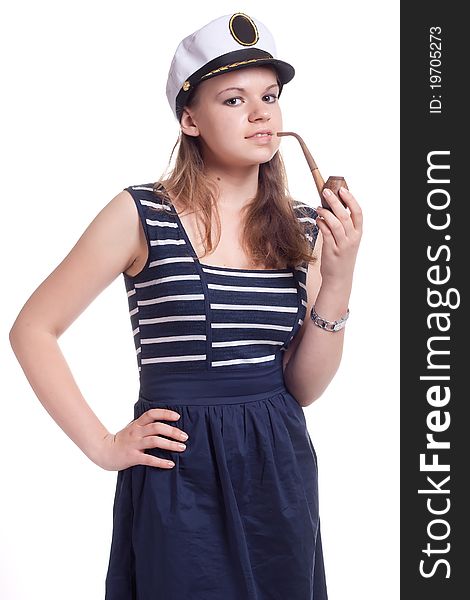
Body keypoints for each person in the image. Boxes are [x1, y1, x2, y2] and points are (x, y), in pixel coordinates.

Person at [9, 12, 362, 600]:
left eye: (270, 96)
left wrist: (339, 280)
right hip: (179, 470)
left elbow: (302, 387)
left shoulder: (305, 224)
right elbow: (32, 329)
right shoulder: (141, 213)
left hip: (279, 467)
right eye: (233, 99)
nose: (260, 114)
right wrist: (102, 445)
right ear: (189, 119)